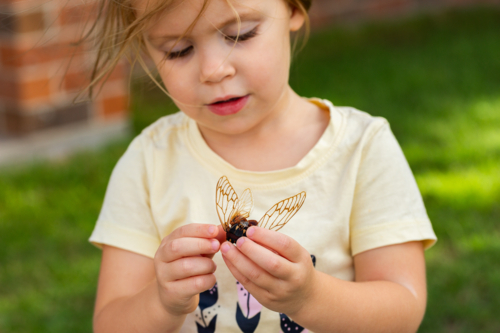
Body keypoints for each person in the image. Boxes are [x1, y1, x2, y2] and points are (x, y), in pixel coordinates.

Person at [88, 0, 437, 332]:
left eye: (240, 34)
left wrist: (311, 297)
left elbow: (403, 310)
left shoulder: (362, 149)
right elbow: (110, 323)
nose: (214, 70)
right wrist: (161, 302)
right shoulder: (149, 161)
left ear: (293, 8)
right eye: (178, 50)